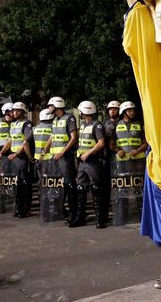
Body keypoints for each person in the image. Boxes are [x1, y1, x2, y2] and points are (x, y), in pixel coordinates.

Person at [44, 96, 80, 227]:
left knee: (70, 185)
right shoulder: (55, 120)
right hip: (56, 158)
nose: (49, 108)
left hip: (66, 157)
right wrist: (45, 151)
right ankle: (64, 211)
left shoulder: (69, 118)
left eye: (50, 106)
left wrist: (63, 152)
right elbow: (52, 137)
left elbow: (73, 138)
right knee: (62, 185)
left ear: (57, 105)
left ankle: (74, 213)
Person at [111, 101, 148, 225]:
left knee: (140, 189)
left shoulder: (139, 124)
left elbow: (146, 142)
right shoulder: (116, 125)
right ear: (123, 112)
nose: (132, 112)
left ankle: (143, 217)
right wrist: (118, 150)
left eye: (133, 110)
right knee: (122, 190)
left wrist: (138, 150)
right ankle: (123, 217)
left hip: (138, 163)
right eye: (129, 110)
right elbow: (111, 144)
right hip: (121, 165)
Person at [74, 101, 107, 228]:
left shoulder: (97, 125)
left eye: (81, 111)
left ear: (85, 111)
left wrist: (88, 153)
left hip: (93, 161)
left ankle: (100, 218)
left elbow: (101, 143)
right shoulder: (82, 125)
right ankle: (80, 217)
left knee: (96, 188)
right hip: (82, 161)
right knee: (81, 188)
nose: (80, 114)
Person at [3, 102, 34, 218]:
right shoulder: (14, 124)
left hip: (22, 158)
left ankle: (25, 209)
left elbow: (26, 142)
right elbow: (10, 141)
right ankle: (18, 208)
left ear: (23, 111)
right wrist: (1, 153)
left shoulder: (27, 124)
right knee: (17, 184)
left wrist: (16, 154)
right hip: (14, 158)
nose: (14, 113)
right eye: (13, 111)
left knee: (25, 184)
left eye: (17, 111)